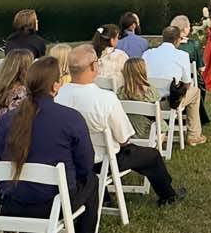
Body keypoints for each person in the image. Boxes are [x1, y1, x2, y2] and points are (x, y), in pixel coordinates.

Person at [0, 56, 99, 233]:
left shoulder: (5, 121)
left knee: (37, 186)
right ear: (56, 85)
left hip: (12, 203)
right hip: (53, 205)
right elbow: (86, 165)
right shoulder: (70, 118)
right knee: (91, 181)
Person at [54, 46, 184, 206]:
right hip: (103, 160)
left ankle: (105, 198)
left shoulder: (58, 95)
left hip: (70, 159)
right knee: (152, 156)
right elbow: (124, 138)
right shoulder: (105, 98)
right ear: (94, 67)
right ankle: (168, 196)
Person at [143, 23, 203, 145]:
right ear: (177, 41)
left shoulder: (148, 54)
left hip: (148, 100)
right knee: (195, 92)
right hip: (170, 101)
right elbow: (187, 84)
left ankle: (161, 129)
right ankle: (193, 135)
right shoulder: (182, 55)